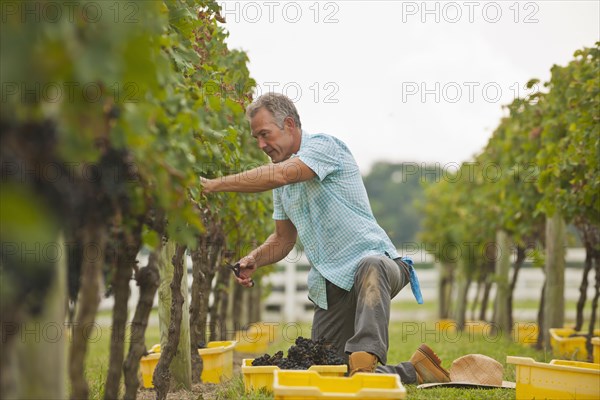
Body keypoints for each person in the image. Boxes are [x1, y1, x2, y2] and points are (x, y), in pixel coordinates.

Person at [200, 92, 450, 384]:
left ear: (290, 124)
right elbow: (283, 240)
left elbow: (280, 175)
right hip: (331, 284)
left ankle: (365, 354)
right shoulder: (282, 187)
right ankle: (415, 371)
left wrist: (214, 185)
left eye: (265, 134)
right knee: (326, 367)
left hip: (378, 267)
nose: (261, 145)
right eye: (256, 138)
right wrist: (255, 257)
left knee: (370, 265)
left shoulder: (323, 147)